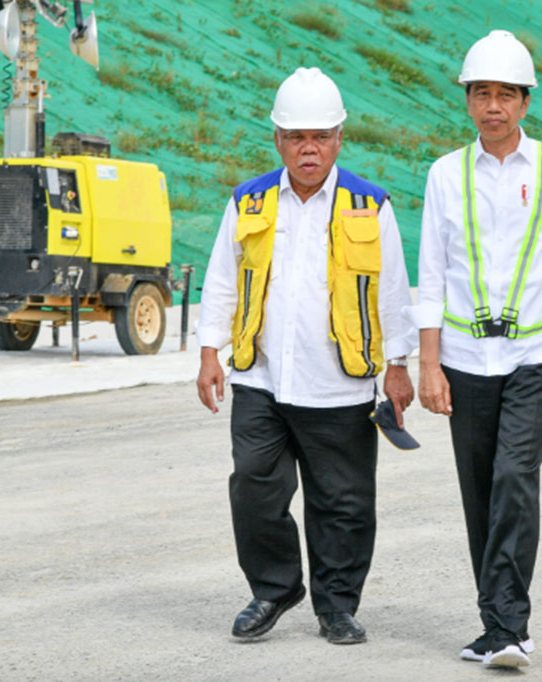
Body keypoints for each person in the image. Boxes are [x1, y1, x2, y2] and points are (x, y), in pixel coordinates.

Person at [195, 67, 416, 645]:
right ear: (278, 140)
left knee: (344, 503)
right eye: (296, 137)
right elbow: (222, 279)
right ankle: (274, 588)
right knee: (253, 486)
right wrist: (209, 350)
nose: (308, 148)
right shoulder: (249, 200)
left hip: (339, 382)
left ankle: (337, 606)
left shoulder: (369, 204)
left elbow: (393, 289)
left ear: (340, 138)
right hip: (261, 378)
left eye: (320, 136)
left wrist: (399, 366)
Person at [410, 31, 542, 668]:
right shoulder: (445, 174)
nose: (493, 106)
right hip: (464, 357)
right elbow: (432, 275)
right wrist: (428, 363)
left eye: (506, 95)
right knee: (479, 491)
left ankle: (512, 628)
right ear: (468, 101)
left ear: (525, 103)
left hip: (536, 352)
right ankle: (494, 627)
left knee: (515, 477)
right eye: (482, 94)